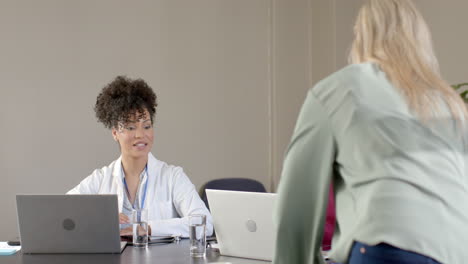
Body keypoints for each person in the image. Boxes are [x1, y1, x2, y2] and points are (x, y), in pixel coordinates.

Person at [273, 0, 468, 263]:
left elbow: (297, 205)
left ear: (361, 37)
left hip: (388, 246)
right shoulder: (449, 102)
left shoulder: (338, 90)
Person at [68, 76, 213, 238]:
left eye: (147, 126)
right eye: (130, 127)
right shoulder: (100, 178)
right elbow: (64, 211)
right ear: (115, 133)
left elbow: (204, 224)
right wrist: (101, 217)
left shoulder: (172, 176)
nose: (140, 135)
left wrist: (148, 228)